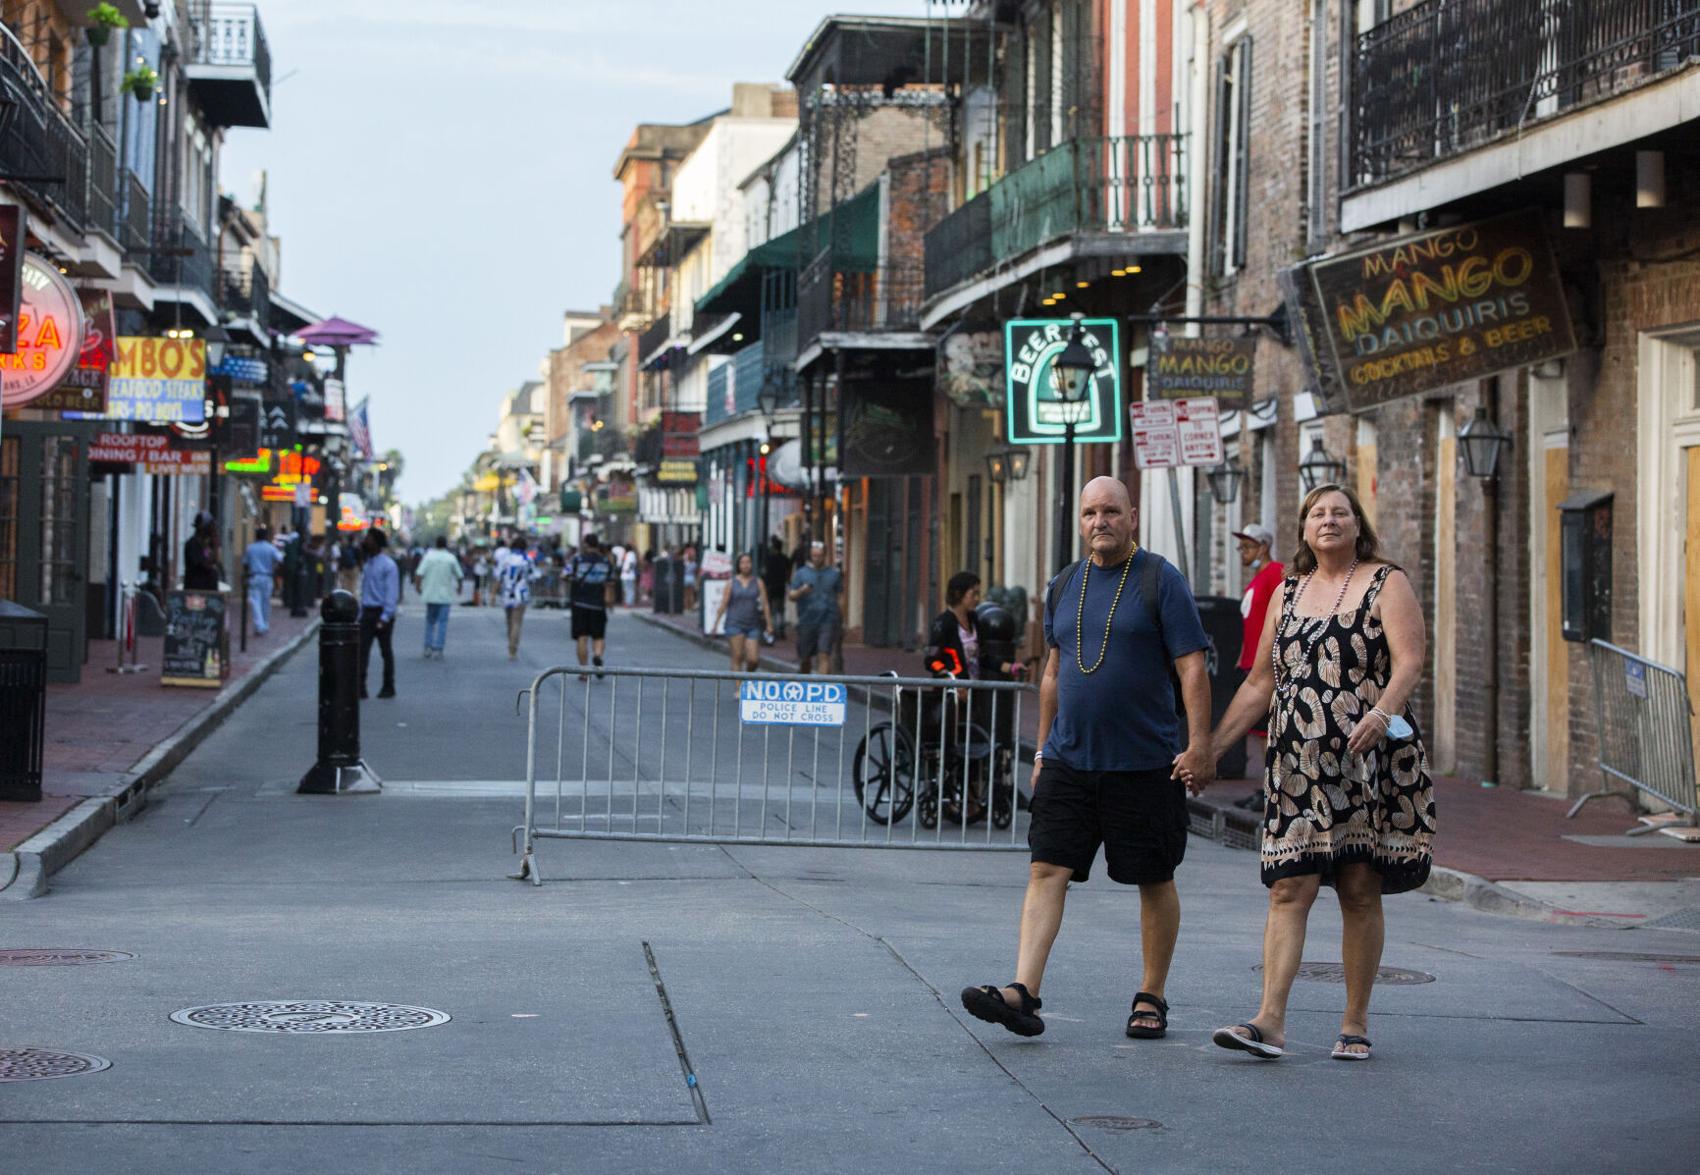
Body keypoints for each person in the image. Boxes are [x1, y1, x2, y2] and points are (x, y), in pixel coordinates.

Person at [959, 476, 1212, 1041]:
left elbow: (1192, 667)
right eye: (1091, 512)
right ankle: (1023, 991)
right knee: (1046, 867)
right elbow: (1052, 671)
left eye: (1112, 511)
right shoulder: (1063, 584)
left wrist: (1199, 744)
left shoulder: (1159, 579)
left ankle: (1152, 994)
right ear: (1081, 521)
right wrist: (1044, 747)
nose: (1101, 521)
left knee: (1153, 877)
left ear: (1133, 517)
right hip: (1070, 760)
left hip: (1145, 762)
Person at [1193, 483, 1434, 1064]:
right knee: (1288, 886)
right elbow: (1259, 682)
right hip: (1297, 764)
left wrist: (1381, 712)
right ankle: (1269, 1021)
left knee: (1357, 889)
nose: (1329, 521)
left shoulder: (1386, 581)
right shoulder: (1288, 591)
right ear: (1303, 529)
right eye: (1317, 514)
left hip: (1366, 761)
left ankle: (1355, 1021)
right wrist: (1208, 748)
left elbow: (1410, 661)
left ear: (1358, 525)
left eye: (1340, 512)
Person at [1232, 523, 1286, 808]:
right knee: (1260, 735)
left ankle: (1273, 791)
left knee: (1269, 733)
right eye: (1241, 548)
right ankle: (1265, 787)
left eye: (1248, 546)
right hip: (1250, 662)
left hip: (1266, 666)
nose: (1243, 552)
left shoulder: (1275, 572)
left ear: (1263, 546)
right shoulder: (1257, 578)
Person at [710, 552, 773, 672]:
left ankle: (747, 678)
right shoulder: (731, 583)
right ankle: (739, 689)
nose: (746, 565)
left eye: (748, 562)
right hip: (734, 623)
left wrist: (769, 624)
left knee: (753, 659)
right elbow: (724, 604)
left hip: (752, 625)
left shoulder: (758, 582)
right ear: (738, 565)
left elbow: (765, 604)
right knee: (737, 657)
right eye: (743, 563)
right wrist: (715, 624)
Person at [787, 540, 844, 674]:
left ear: (825, 555)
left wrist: (841, 619)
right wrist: (802, 590)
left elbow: (840, 597)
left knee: (824, 654)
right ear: (811, 556)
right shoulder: (801, 573)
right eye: (814, 556)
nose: (817, 558)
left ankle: (820, 691)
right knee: (805, 658)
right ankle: (806, 683)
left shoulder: (834, 574)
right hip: (807, 620)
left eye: (819, 555)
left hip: (828, 619)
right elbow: (791, 596)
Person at [357, 528, 400, 699]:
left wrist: (385, 616)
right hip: (367, 612)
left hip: (381, 613)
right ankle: (360, 687)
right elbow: (365, 590)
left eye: (369, 538)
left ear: (377, 542)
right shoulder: (368, 564)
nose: (366, 541)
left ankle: (388, 686)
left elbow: (391, 593)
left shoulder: (388, 565)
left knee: (385, 651)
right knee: (362, 651)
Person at [567, 531, 616, 679]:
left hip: (580, 603)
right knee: (598, 636)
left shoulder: (577, 559)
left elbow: (565, 574)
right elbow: (612, 580)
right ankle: (598, 655)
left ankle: (583, 672)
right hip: (598, 605)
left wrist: (575, 580)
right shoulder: (605, 561)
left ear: (586, 544)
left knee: (582, 636)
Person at [414, 536, 464, 659]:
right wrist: (459, 588)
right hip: (445, 596)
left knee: (430, 622)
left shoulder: (428, 557)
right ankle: (439, 648)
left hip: (430, 594)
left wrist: (418, 587)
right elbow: (460, 575)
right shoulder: (450, 558)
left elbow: (419, 574)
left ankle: (428, 647)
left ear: (436, 544)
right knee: (442, 622)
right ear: (446, 545)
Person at [496, 535, 535, 659]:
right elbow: (533, 577)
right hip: (521, 595)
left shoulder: (505, 559)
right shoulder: (527, 559)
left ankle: (510, 645)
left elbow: (499, 576)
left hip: (507, 594)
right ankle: (513, 650)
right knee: (516, 623)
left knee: (509, 622)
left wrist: (493, 594)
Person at [242, 527, 283, 636]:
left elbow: (245, 563)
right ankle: (264, 624)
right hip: (267, 577)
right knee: (265, 602)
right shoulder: (271, 548)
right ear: (266, 536)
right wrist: (274, 568)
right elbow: (279, 560)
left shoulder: (250, 548)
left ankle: (259, 626)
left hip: (254, 576)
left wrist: (246, 576)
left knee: (256, 602)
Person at [183, 513, 220, 590]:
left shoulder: (206, 545)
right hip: (196, 591)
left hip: (209, 590)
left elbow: (214, 560)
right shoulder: (192, 544)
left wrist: (215, 545)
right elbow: (205, 564)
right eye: (211, 526)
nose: (213, 529)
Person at [763, 536, 791, 640]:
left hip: (770, 586)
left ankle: (774, 629)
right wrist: (787, 580)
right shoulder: (784, 558)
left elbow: (765, 571)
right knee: (780, 609)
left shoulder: (769, 558)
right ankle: (780, 630)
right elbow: (789, 570)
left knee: (771, 609)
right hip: (780, 586)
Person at [682, 545, 699, 612]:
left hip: (685, 578)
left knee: (686, 594)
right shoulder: (694, 564)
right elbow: (696, 572)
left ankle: (686, 607)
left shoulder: (685, 563)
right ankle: (691, 606)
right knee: (691, 594)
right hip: (691, 578)